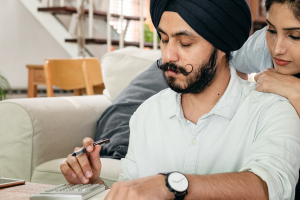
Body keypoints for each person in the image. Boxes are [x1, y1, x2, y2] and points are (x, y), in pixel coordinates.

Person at [60, 0, 300, 199]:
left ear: (223, 45)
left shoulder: (273, 110)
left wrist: (170, 185)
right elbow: (133, 189)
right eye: (164, 40)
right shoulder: (146, 114)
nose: (169, 56)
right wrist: (92, 184)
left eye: (185, 43)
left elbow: (270, 188)